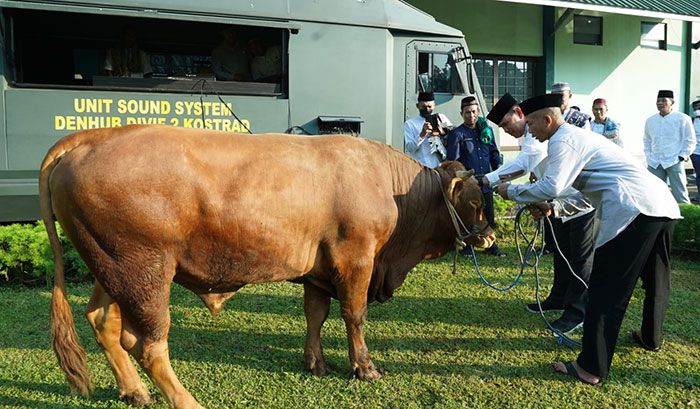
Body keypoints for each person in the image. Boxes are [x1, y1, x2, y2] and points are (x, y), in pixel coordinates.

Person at [496, 93, 680, 387]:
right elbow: (587, 194)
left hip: (635, 210)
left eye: (530, 123)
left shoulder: (562, 140)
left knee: (605, 290)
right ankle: (651, 338)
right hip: (662, 206)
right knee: (656, 279)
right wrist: (555, 208)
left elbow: (552, 185)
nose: (528, 129)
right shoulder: (577, 138)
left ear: (547, 120)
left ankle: (590, 367)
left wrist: (511, 192)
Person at [486, 93, 595, 333]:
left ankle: (578, 312)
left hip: (582, 201)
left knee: (581, 259)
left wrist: (489, 180)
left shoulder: (547, 134)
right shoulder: (534, 133)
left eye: (506, 124)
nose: (506, 130)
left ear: (519, 113)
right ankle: (558, 299)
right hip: (559, 202)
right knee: (562, 252)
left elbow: (525, 163)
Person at [447, 96, 505, 257]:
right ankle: (468, 246)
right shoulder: (457, 134)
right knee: (470, 215)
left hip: (487, 179)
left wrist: (498, 169)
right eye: (467, 112)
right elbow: (453, 161)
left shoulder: (486, 130)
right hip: (470, 183)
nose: (471, 115)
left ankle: (491, 245)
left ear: (478, 112)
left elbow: (493, 152)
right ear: (461, 113)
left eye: (473, 112)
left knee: (489, 214)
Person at [643, 90, 696, 204]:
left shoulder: (682, 118)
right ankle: (658, 219)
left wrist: (681, 157)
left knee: (680, 194)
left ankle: (686, 219)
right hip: (655, 162)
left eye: (663, 100)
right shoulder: (650, 120)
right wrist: (649, 156)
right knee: (654, 192)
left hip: (674, 161)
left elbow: (690, 140)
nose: (660, 103)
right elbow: (646, 140)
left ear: (672, 102)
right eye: (658, 101)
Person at [404, 91, 452, 168]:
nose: (427, 109)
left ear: (434, 105)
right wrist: (422, 134)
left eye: (430, 107)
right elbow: (410, 148)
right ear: (417, 106)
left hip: (441, 167)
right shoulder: (410, 124)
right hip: (421, 167)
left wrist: (443, 133)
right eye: (423, 107)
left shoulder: (442, 118)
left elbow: (453, 139)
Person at [689, 99, 700, 204]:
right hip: (696, 152)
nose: (697, 110)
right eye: (695, 108)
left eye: (699, 107)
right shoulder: (691, 121)